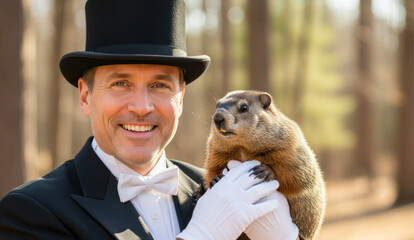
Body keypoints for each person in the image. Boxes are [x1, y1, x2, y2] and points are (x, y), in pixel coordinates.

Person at [0, 0, 299, 239]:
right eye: (120, 84)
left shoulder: (220, 189)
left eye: (160, 85)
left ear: (180, 98)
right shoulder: (31, 212)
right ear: (85, 96)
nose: (142, 107)